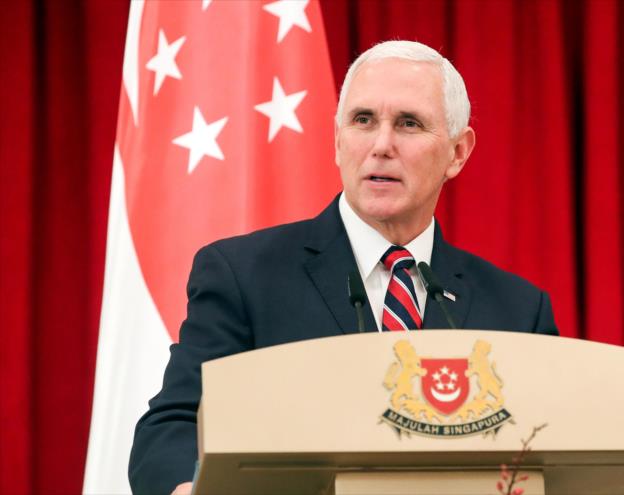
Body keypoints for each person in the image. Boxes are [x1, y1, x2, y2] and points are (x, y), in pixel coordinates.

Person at [128, 40, 559, 495]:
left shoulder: (518, 310)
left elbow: (558, 448)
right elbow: (172, 426)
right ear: (337, 140)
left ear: (457, 152)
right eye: (363, 120)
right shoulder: (244, 276)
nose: (381, 145)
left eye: (409, 124)